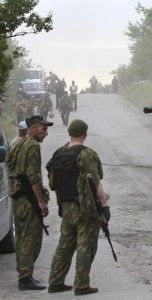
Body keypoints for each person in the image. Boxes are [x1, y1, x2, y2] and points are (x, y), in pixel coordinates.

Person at [47, 119, 109, 295]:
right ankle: (81, 285)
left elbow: (52, 184)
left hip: (66, 207)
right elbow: (96, 183)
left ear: (70, 133)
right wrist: (104, 206)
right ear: (85, 134)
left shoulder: (58, 153)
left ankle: (55, 282)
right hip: (85, 208)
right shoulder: (87, 154)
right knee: (85, 245)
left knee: (65, 244)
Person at [5, 115, 53, 290]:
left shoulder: (20, 143)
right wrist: (41, 202)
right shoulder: (32, 145)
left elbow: (11, 165)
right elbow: (33, 176)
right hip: (28, 198)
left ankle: (25, 275)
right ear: (33, 128)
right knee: (30, 239)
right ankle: (25, 279)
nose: (46, 133)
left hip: (19, 198)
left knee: (23, 237)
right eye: (43, 128)